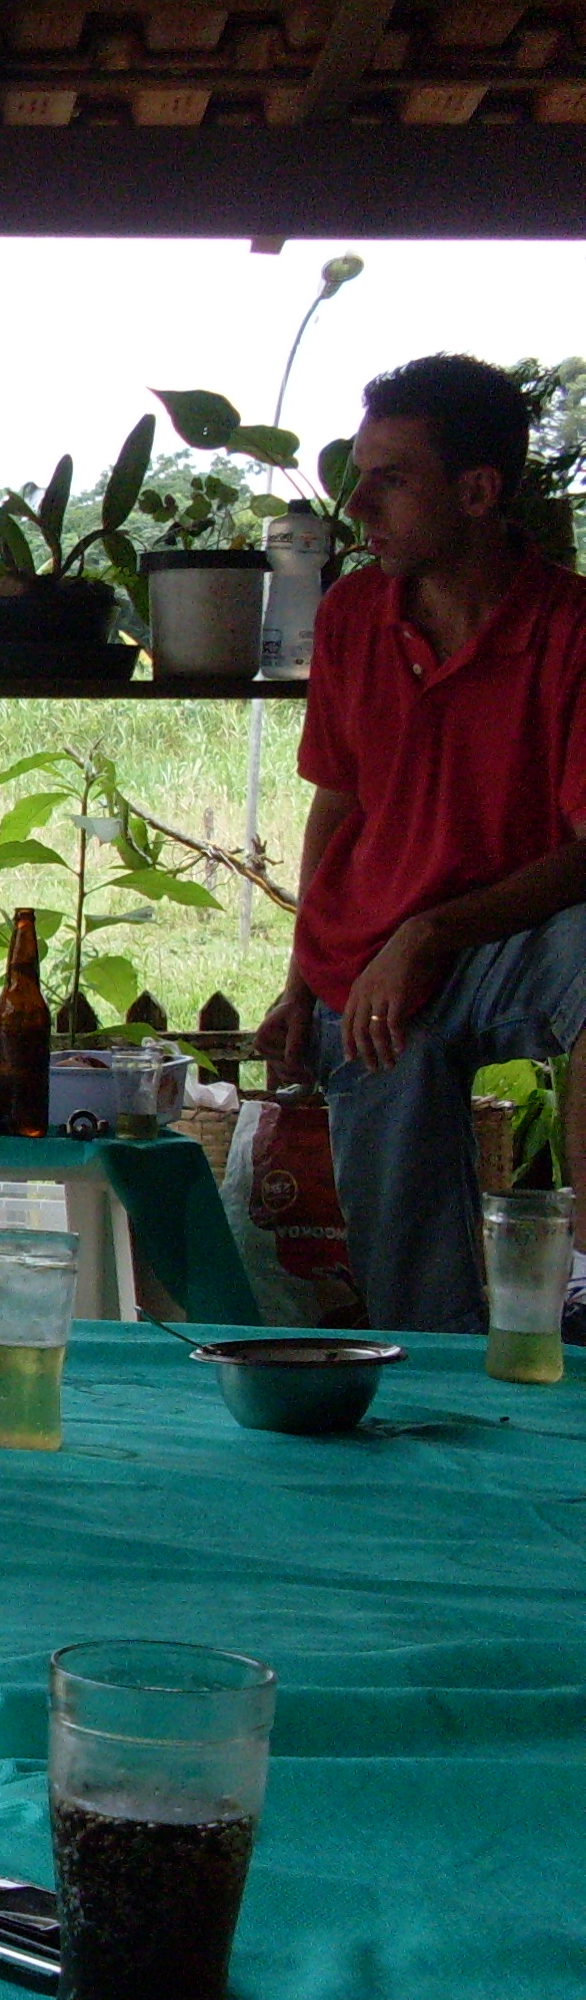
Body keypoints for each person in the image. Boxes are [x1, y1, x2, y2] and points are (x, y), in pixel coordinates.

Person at [256, 354, 586, 1332]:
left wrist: (435, 931)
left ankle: (583, 1273)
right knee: (415, 1298)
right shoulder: (354, 613)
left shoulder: (572, 626)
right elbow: (338, 804)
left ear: (478, 493)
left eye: (390, 479)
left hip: (509, 942)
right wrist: (301, 984)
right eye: (359, 476)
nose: (358, 506)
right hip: (372, 968)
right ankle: (434, 1371)